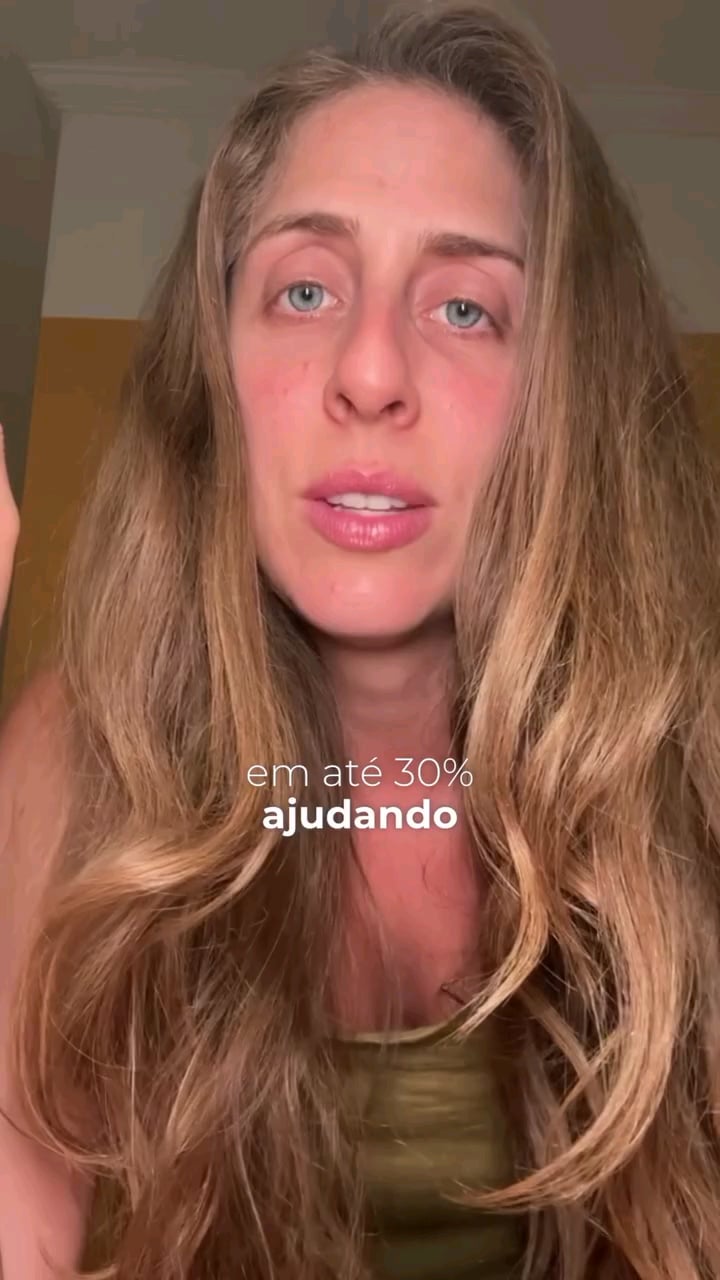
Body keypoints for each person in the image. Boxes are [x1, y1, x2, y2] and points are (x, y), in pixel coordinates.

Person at [2, 0, 720, 1276]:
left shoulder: (692, 758)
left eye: (465, 309)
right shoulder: (77, 751)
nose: (372, 372)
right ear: (215, 372)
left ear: (562, 400)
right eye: (305, 288)